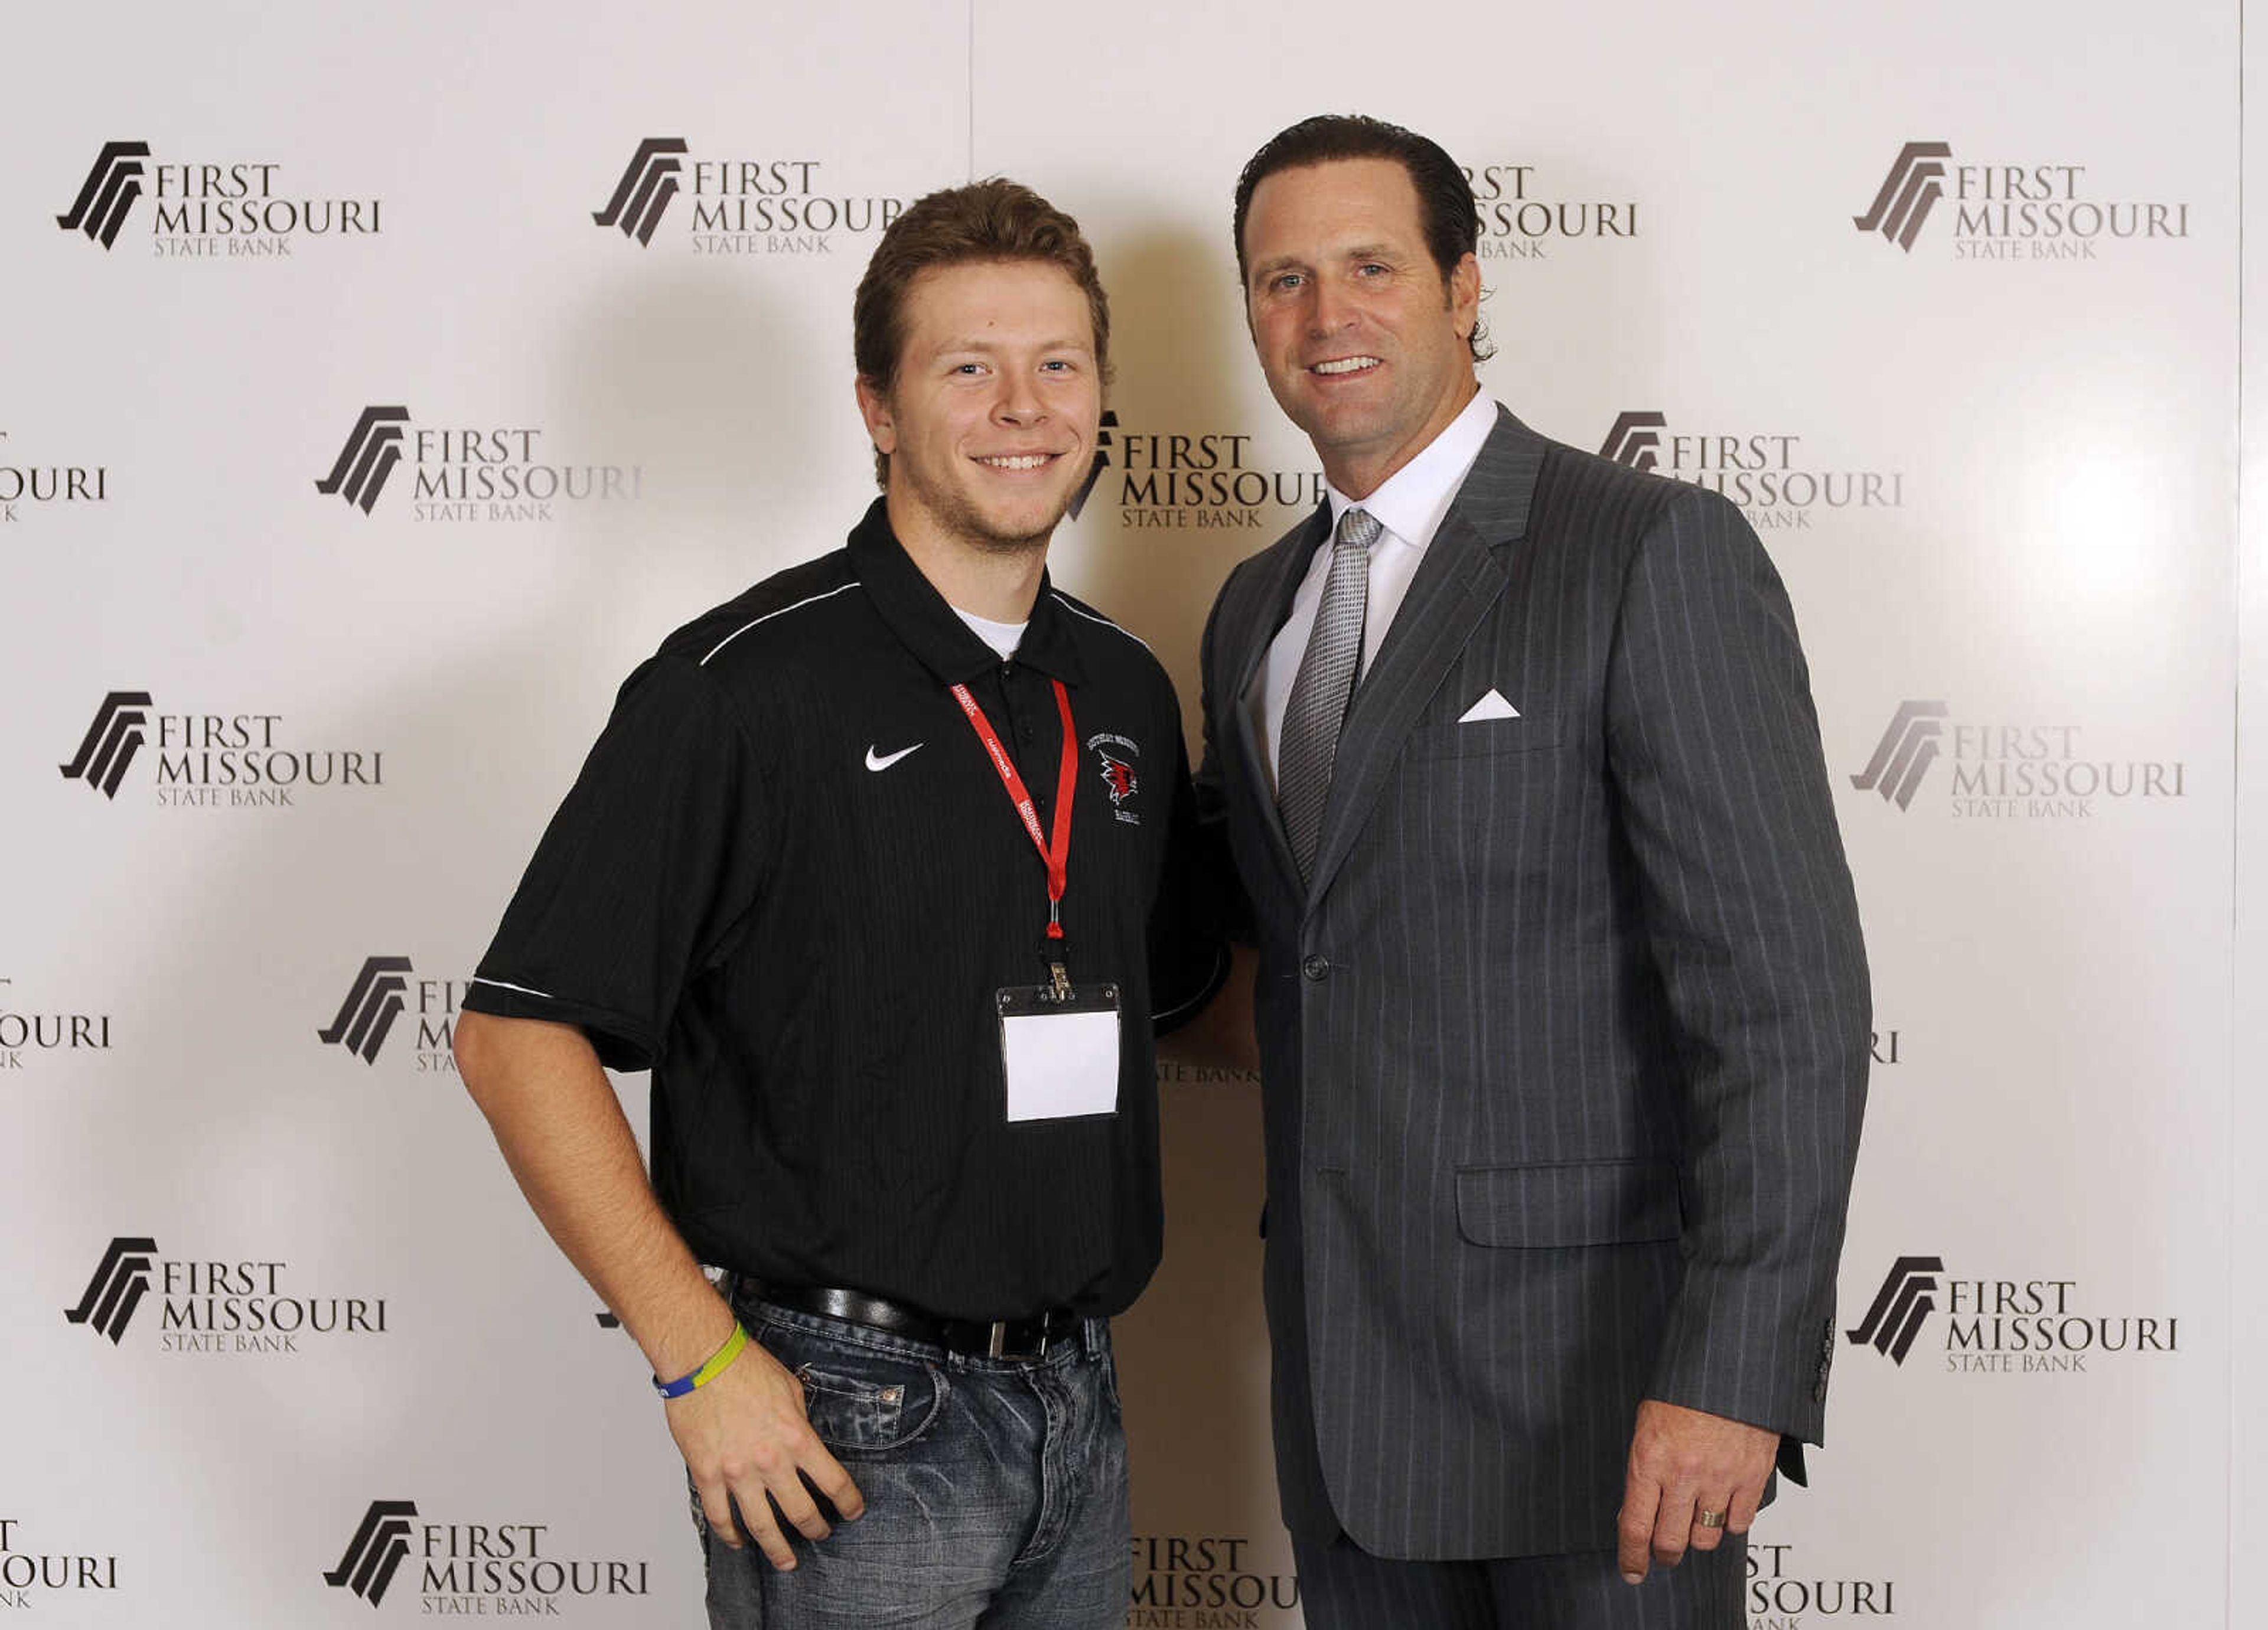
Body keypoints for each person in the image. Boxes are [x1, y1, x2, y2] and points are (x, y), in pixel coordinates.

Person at [454, 177, 1225, 1630]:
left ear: (1103, 397)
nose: (1023, 406)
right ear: (878, 407)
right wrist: (698, 1360)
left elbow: (1192, 989)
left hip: (1085, 1399)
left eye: (1059, 365)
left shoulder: (1123, 686)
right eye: (968, 368)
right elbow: (515, 1037)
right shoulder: (741, 688)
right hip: (847, 1421)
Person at [1192, 115, 1871, 1628]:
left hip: (1605, 1416)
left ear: (1466, 286)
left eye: (1371, 265)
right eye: (1281, 279)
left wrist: (1733, 1376)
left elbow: (1787, 1006)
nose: (1326, 315)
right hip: (1343, 1411)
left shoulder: (1648, 550)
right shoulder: (1253, 613)